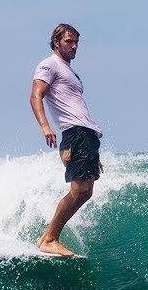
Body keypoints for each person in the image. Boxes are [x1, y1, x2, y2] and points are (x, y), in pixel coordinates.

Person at [30, 23, 103, 257]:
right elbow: (35, 96)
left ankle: (47, 237)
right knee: (79, 189)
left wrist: (93, 154)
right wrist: (45, 126)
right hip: (74, 133)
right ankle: (50, 239)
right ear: (56, 42)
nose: (74, 46)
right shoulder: (49, 64)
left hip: (86, 134)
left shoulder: (70, 72)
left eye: (76, 42)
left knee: (86, 191)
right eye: (69, 42)